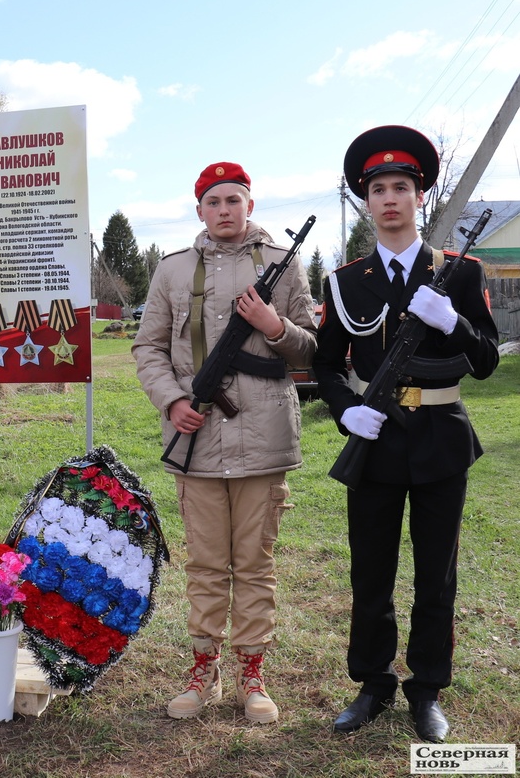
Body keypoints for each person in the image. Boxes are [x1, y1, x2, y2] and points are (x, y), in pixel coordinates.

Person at [317, 125, 499, 742]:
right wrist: (345, 410)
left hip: (441, 439)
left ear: (419, 196)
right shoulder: (344, 281)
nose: (390, 198)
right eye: (378, 189)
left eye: (401, 187)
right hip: (374, 439)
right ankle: (372, 683)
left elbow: (487, 361)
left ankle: (426, 689)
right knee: (370, 571)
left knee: (435, 575)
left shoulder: (461, 273)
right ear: (366, 202)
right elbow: (324, 364)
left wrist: (453, 321)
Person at [133, 163, 316, 724]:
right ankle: (202, 669)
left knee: (255, 563)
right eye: (214, 202)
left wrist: (273, 325)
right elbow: (149, 348)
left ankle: (252, 674)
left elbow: (310, 352)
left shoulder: (283, 268)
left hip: (265, 440)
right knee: (207, 564)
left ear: (250, 206)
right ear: (199, 212)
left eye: (234, 199)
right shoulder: (172, 270)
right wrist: (173, 402)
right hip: (198, 438)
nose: (224, 210)